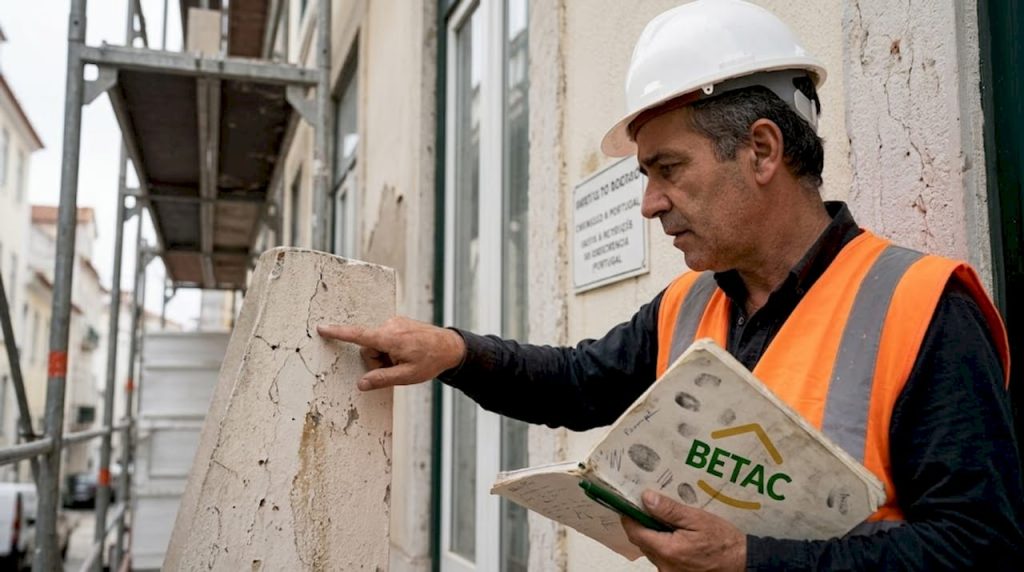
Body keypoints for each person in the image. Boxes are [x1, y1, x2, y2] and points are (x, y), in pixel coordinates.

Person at [318, 0, 1024, 569]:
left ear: (761, 150)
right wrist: (454, 352)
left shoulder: (924, 307)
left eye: (668, 169)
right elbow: (578, 382)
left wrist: (752, 558)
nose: (649, 203)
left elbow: (977, 546)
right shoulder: (691, 305)